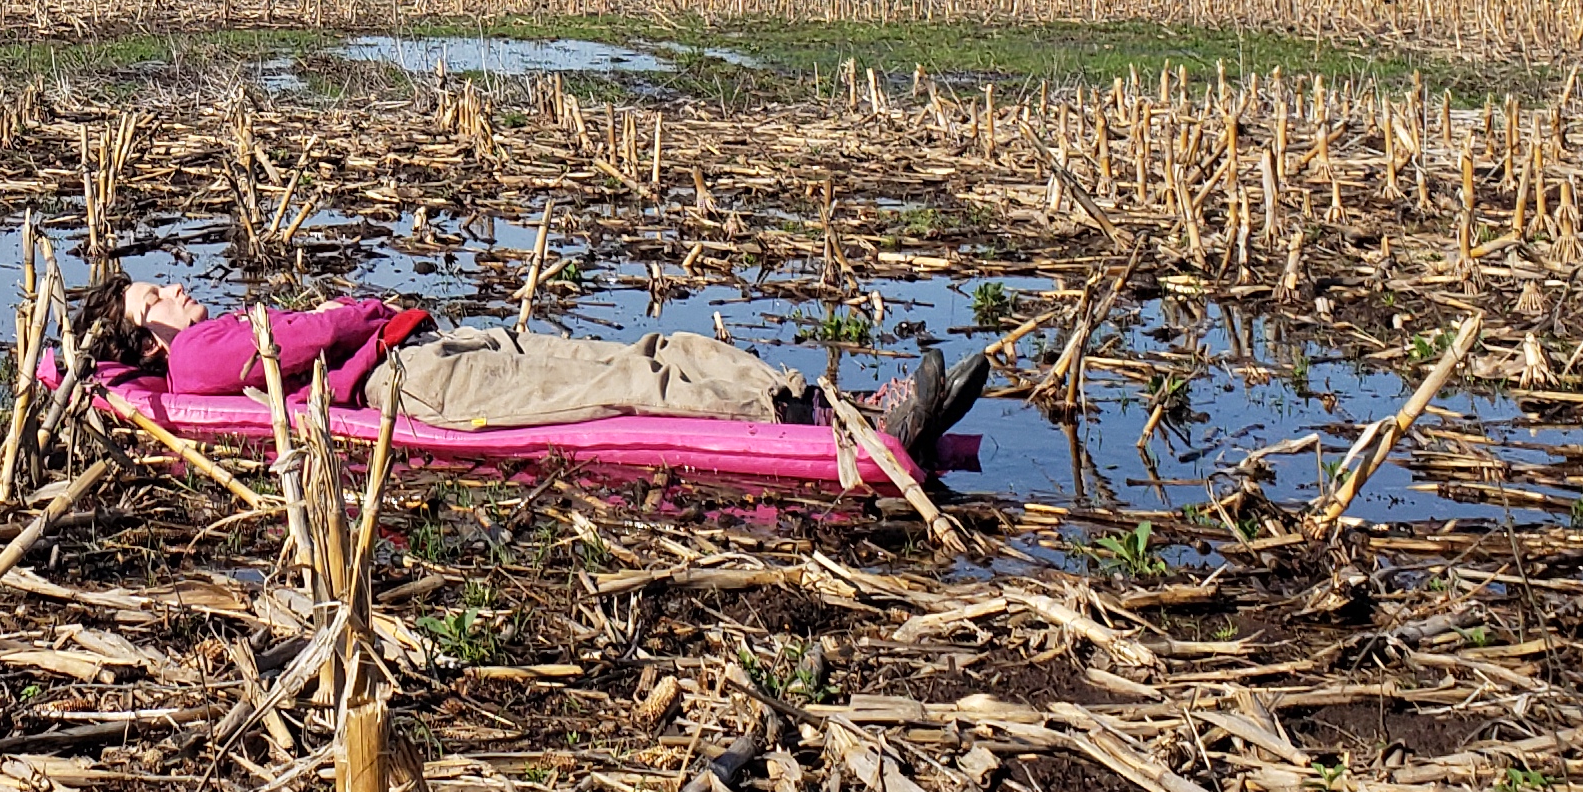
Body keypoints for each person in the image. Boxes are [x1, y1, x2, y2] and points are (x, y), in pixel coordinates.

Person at [76, 269, 989, 460]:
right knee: (634, 377)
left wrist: (357, 317)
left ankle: (831, 403)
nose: (178, 296)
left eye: (164, 288)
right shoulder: (193, 357)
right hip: (422, 384)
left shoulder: (203, 337)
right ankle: (834, 424)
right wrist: (350, 311)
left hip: (432, 353)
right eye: (154, 302)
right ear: (143, 339)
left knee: (647, 353)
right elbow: (301, 344)